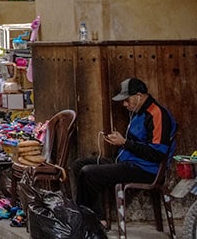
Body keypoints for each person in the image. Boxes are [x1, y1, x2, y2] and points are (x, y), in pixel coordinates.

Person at [72, 77, 176, 228]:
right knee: (79, 165)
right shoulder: (138, 112)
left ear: (139, 96)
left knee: (89, 172)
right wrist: (121, 142)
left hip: (146, 169)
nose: (124, 104)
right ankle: (90, 216)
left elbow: (157, 153)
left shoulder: (157, 114)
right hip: (128, 163)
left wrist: (125, 143)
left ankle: (94, 222)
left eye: (127, 100)